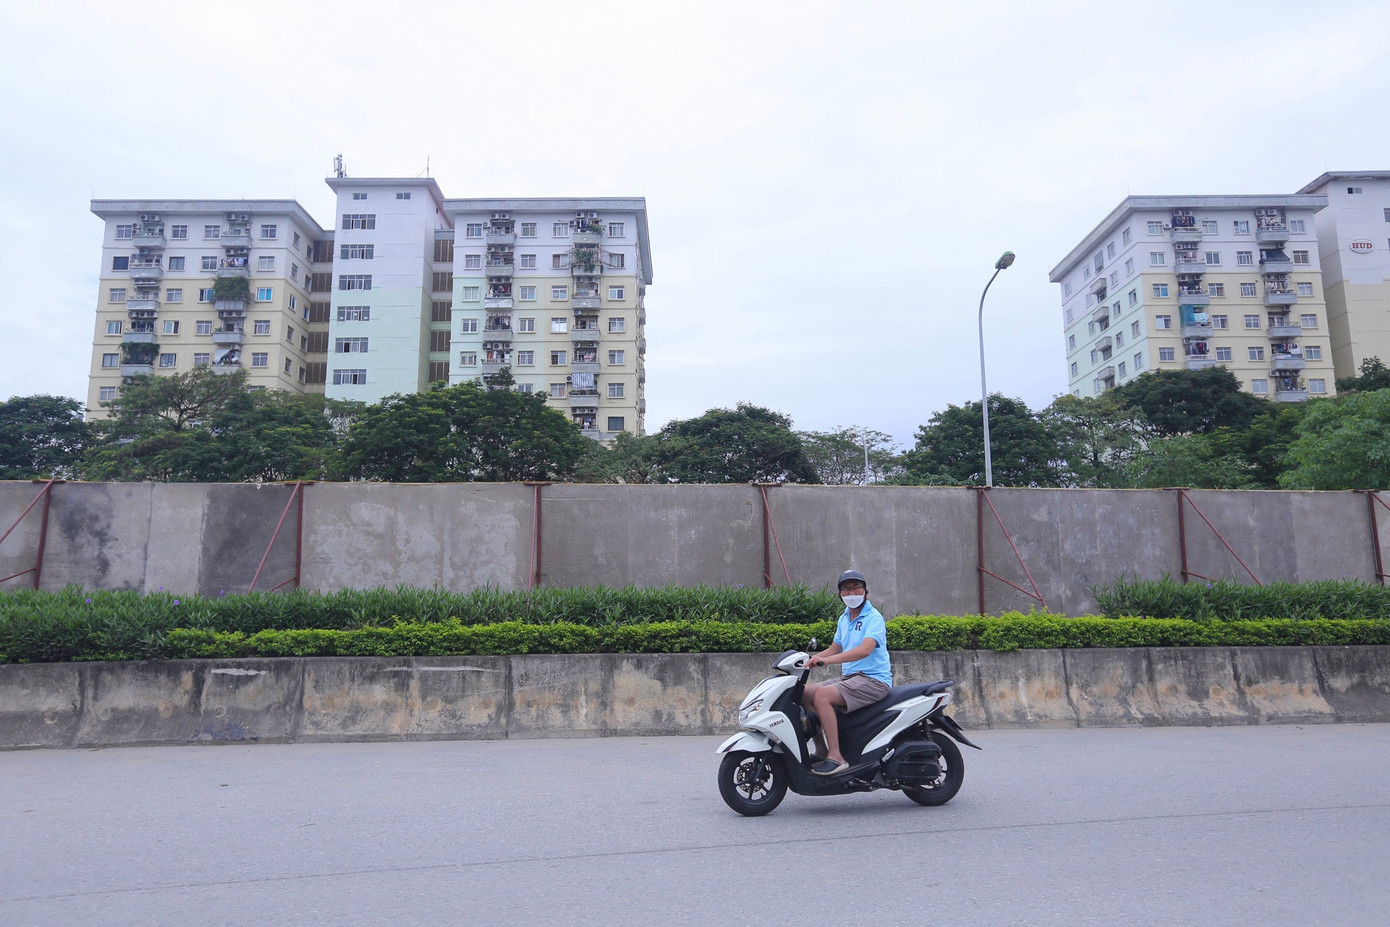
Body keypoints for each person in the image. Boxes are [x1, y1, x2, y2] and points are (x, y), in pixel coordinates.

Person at [803, 569, 892, 775]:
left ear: (865, 592)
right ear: (840, 595)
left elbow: (864, 650)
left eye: (856, 588)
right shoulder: (844, 618)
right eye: (846, 589)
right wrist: (807, 661)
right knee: (804, 693)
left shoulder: (873, 617)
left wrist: (826, 661)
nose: (852, 593)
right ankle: (821, 750)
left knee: (822, 695)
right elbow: (835, 648)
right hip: (851, 678)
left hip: (874, 681)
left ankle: (837, 756)